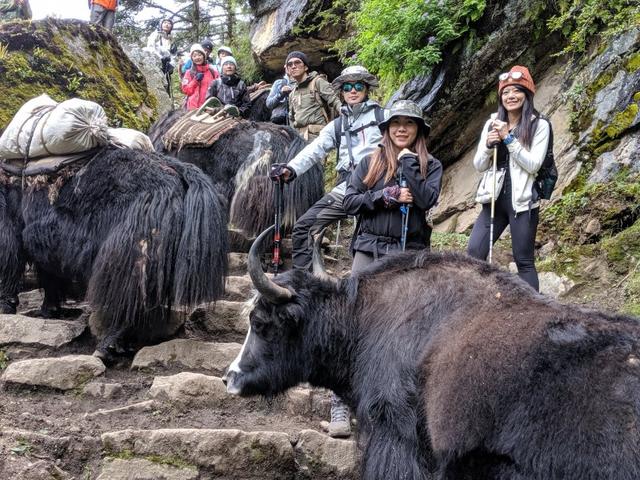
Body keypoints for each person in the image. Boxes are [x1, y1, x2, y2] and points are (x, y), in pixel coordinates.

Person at [269, 65, 385, 439]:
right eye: (347, 86)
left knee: (362, 250)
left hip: (375, 188)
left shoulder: (382, 118)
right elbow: (315, 150)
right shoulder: (338, 124)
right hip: (346, 185)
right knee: (305, 227)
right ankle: (308, 285)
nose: (352, 91)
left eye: (358, 86)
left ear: (366, 88)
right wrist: (290, 169)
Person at [467, 66, 549, 291]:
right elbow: (479, 165)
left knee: (523, 260)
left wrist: (508, 138)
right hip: (494, 199)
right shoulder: (492, 122)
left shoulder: (539, 125)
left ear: (527, 94)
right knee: (474, 252)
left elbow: (534, 164)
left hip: (522, 201)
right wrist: (487, 145)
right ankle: (480, 300)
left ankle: (532, 312)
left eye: (517, 91)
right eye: (505, 92)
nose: (511, 96)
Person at [343, 99, 443, 272]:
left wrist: (409, 163)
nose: (401, 129)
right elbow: (349, 203)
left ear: (418, 129)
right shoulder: (369, 163)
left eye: (409, 123)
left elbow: (426, 200)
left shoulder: (432, 165)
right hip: (369, 246)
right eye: (395, 122)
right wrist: (385, 196)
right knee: (357, 297)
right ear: (388, 129)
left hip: (410, 250)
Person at [285, 51, 341, 141]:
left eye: (297, 62)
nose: (293, 66)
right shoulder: (292, 93)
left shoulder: (317, 82)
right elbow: (291, 117)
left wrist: (345, 113)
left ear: (306, 67)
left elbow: (334, 100)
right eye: (290, 64)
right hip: (300, 138)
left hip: (319, 135)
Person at [181, 44, 219, 110]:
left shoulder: (213, 72)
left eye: (199, 55)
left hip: (208, 110)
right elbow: (185, 90)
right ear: (192, 58)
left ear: (204, 56)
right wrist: (195, 81)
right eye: (194, 56)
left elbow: (219, 90)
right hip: (192, 109)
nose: (197, 57)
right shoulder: (189, 73)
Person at [145, 18, 177, 95]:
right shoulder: (156, 35)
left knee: (167, 86)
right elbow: (150, 47)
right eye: (165, 22)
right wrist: (160, 58)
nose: (167, 24)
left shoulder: (171, 39)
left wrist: (172, 65)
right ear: (161, 25)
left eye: (169, 23)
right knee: (156, 84)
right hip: (156, 64)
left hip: (167, 66)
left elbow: (174, 55)